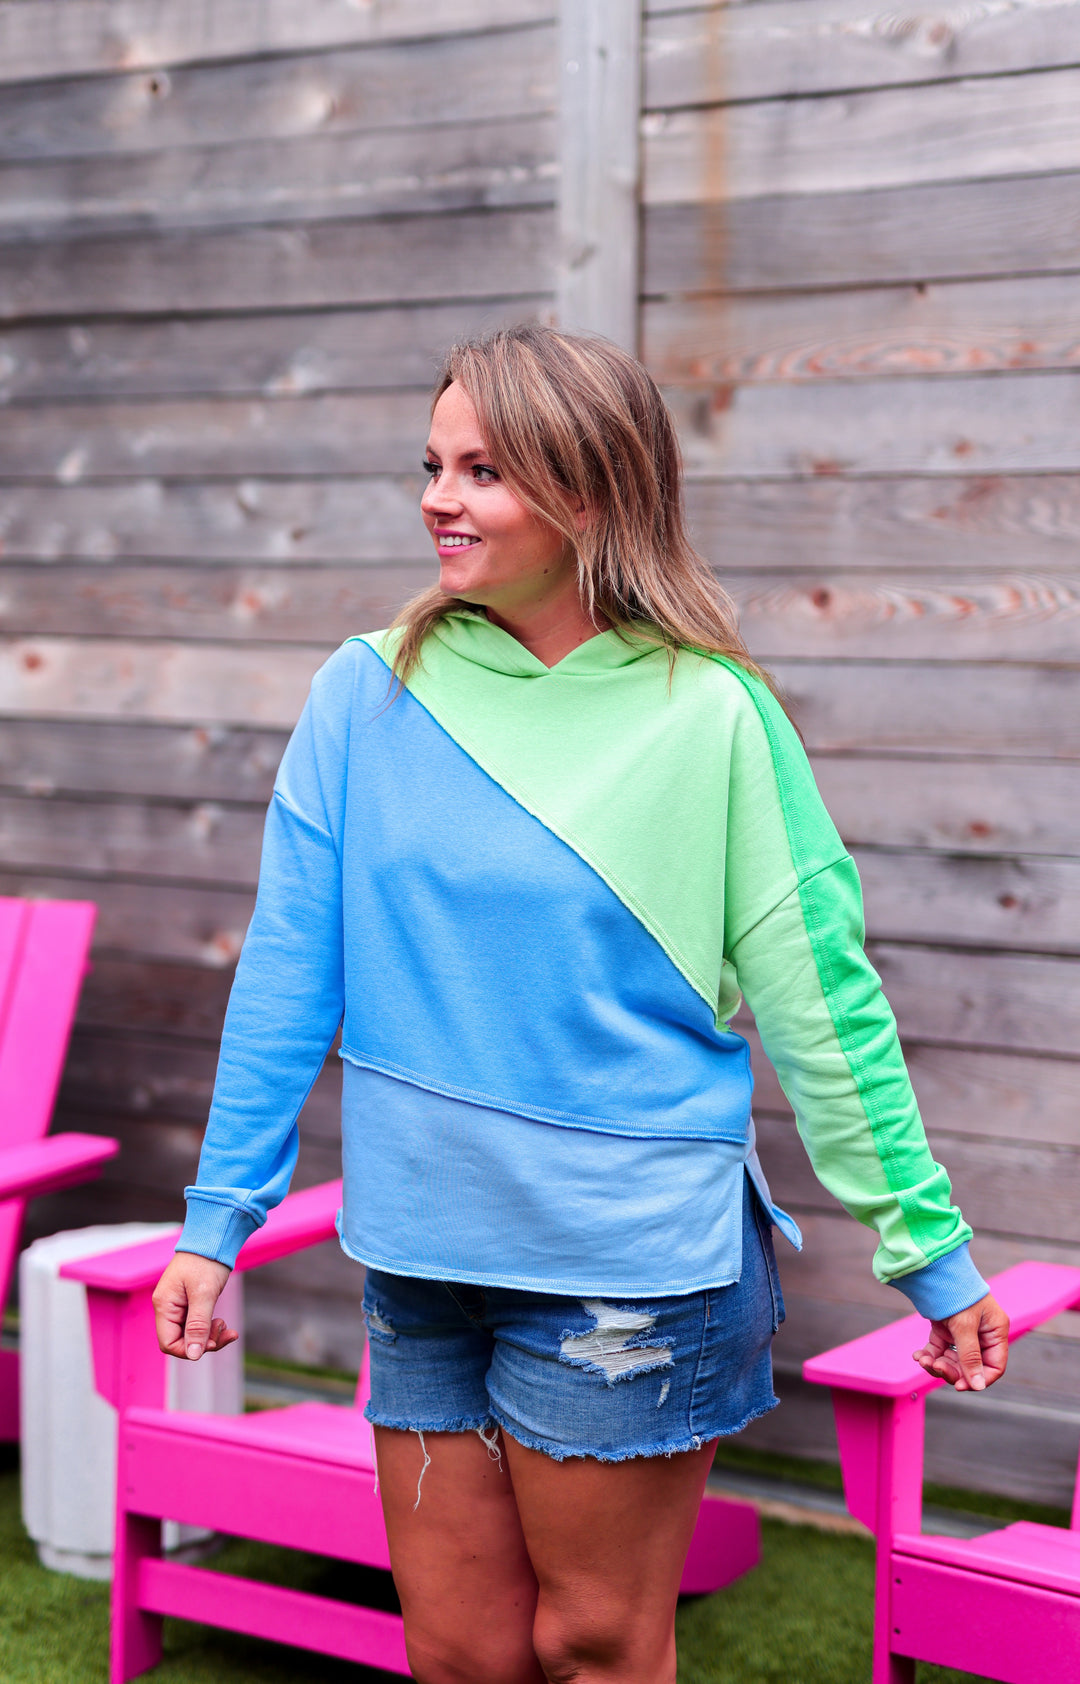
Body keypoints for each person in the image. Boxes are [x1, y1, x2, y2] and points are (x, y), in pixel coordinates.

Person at [152, 325, 1009, 1684]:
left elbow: (823, 1003)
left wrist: (929, 1249)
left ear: (592, 494)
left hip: (632, 1274)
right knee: (462, 1655)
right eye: (432, 464)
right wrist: (219, 1219)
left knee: (596, 1643)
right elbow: (285, 969)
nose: (439, 496)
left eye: (484, 470)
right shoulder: (364, 694)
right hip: (423, 1260)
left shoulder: (711, 716)